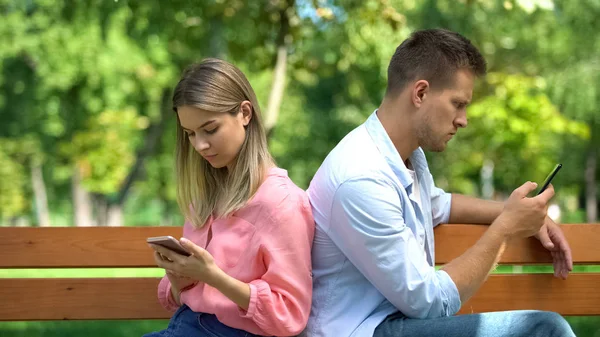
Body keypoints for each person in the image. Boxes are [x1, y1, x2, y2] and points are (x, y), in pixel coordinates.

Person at [301, 29, 575, 337]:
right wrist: (506, 229)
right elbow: (429, 302)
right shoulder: (360, 177)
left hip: (393, 322)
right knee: (543, 329)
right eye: (457, 103)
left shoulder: (405, 155)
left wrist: (516, 212)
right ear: (420, 93)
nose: (464, 119)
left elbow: (436, 204)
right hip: (362, 330)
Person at [144, 58, 315, 337]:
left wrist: (213, 277)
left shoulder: (281, 203)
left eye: (210, 129)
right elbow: (177, 299)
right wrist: (180, 280)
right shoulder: (205, 197)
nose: (200, 145)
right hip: (185, 326)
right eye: (190, 134)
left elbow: (290, 315)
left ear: (245, 113)